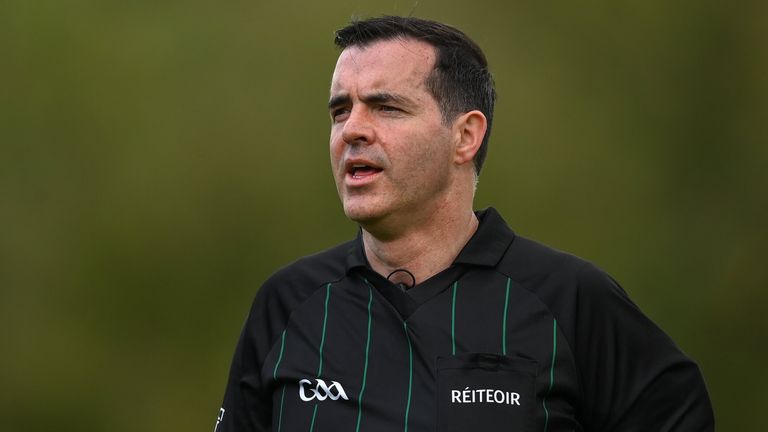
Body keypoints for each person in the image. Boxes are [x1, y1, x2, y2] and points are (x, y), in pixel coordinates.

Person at [215, 16, 714, 432]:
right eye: (340, 110)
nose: (353, 130)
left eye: (386, 107)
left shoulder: (570, 300)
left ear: (466, 136)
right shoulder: (288, 305)